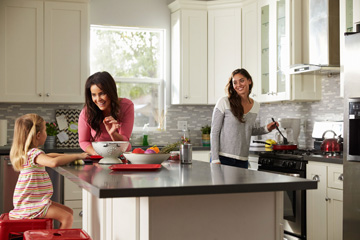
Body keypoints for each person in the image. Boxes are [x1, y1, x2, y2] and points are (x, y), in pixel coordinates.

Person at [9, 114, 89, 228]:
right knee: (67, 217)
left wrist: (69, 156)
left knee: (69, 211)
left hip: (31, 202)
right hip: (32, 204)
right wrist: (76, 156)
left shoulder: (28, 153)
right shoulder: (34, 154)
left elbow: (49, 156)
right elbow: (53, 162)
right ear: (38, 135)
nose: (47, 133)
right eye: (45, 130)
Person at [210, 68, 278, 168]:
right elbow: (214, 131)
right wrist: (215, 159)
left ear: (249, 81)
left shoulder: (256, 105)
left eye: (241, 80)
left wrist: (266, 129)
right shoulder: (224, 102)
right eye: (235, 82)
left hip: (243, 159)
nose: (238, 85)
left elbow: (247, 130)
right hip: (223, 158)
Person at [78, 71, 134, 155]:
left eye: (102, 93)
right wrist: (97, 154)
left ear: (111, 91)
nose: (98, 99)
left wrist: (113, 133)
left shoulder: (126, 106)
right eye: (94, 95)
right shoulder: (86, 112)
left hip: (120, 155)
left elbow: (125, 143)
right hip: (98, 157)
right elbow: (83, 141)